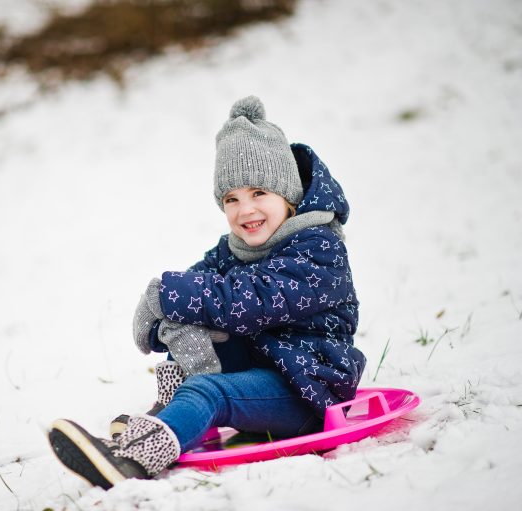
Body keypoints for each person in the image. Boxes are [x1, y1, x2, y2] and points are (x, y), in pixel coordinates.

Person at [48, 95, 366, 489]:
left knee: (207, 388)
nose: (245, 210)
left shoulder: (318, 248)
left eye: (259, 193)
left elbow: (252, 299)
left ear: (289, 195)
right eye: (231, 199)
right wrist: (164, 320)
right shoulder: (234, 249)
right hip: (260, 372)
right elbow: (195, 289)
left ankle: (133, 459)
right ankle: (170, 415)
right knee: (190, 321)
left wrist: (166, 294)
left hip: (307, 391)